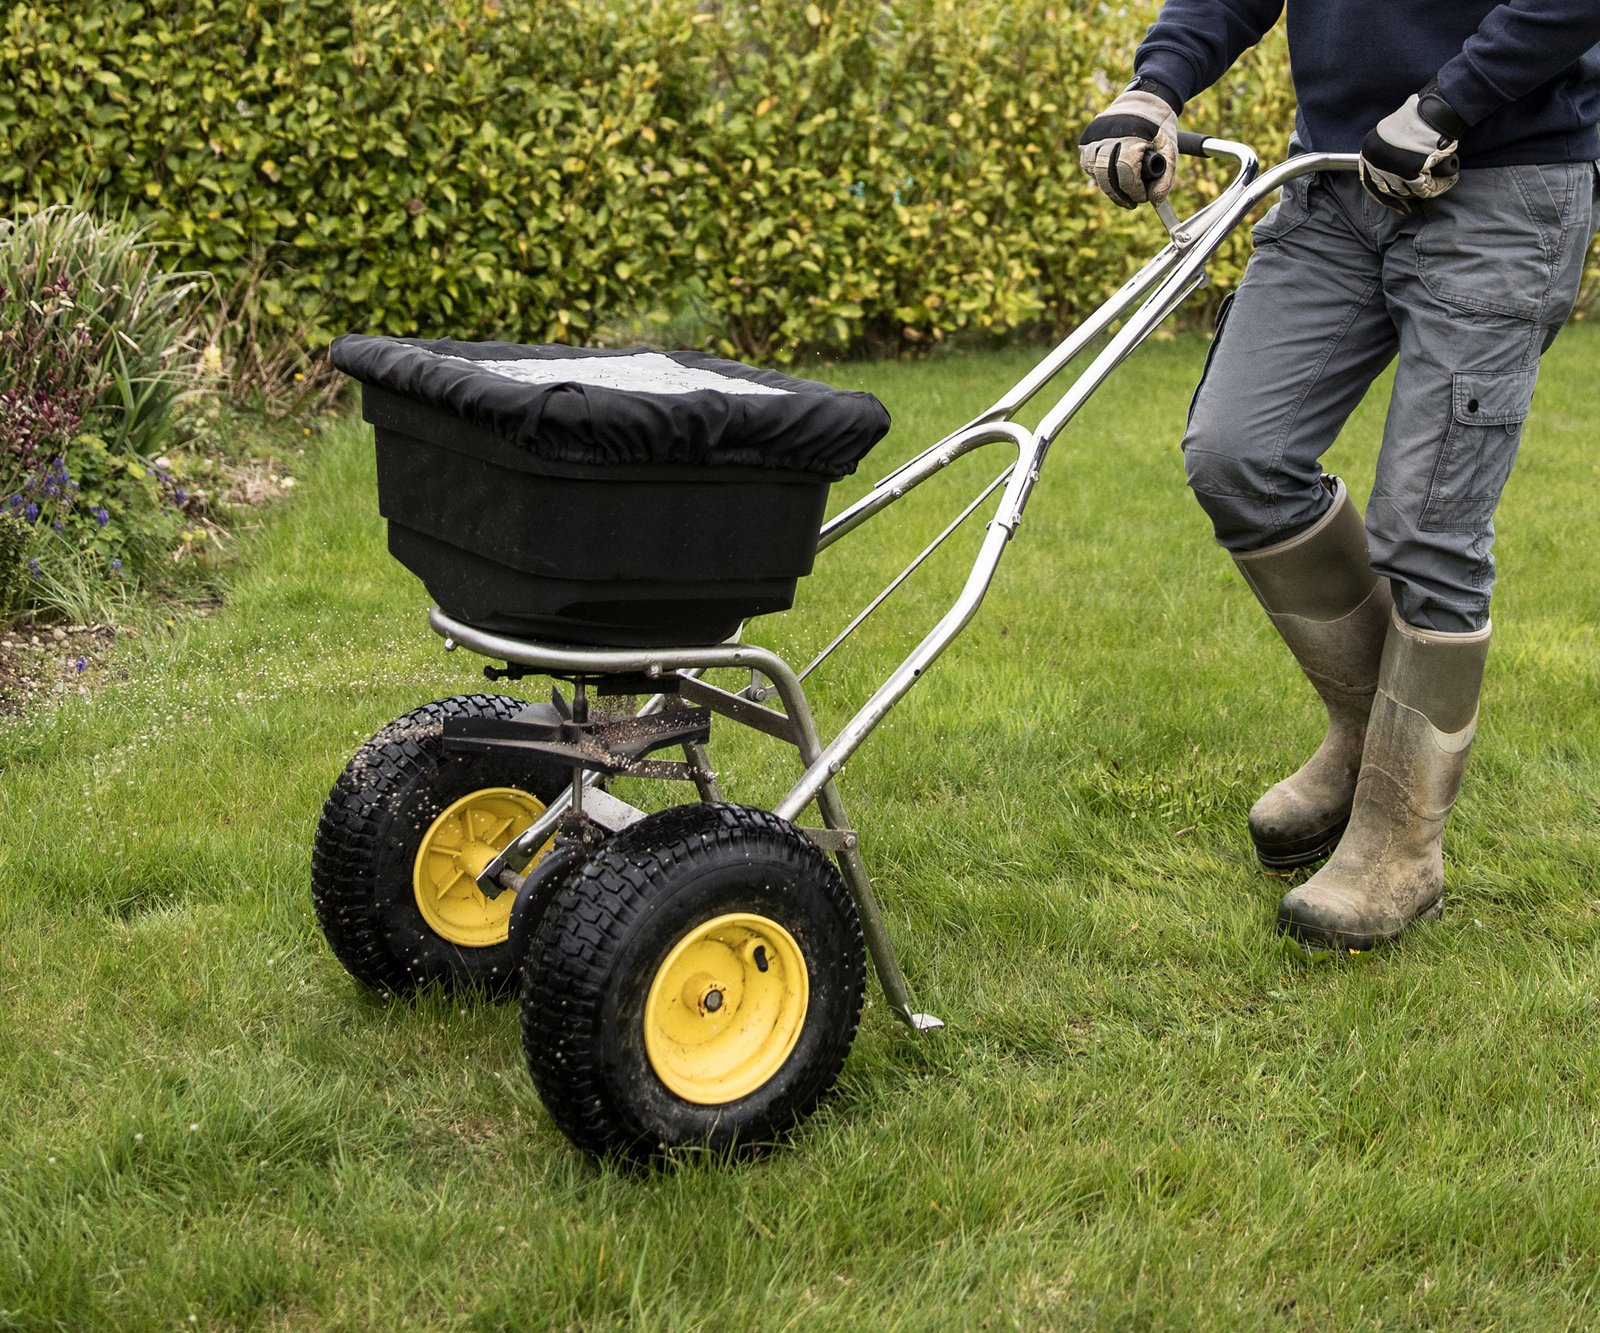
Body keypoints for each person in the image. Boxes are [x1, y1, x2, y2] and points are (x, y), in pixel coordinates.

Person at [1078, 3, 1600, 951]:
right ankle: (1368, 736)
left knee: (1427, 529)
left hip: (1503, 178)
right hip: (1332, 181)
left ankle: (1401, 846)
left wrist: (1449, 102)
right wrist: (1155, 83)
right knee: (1239, 453)